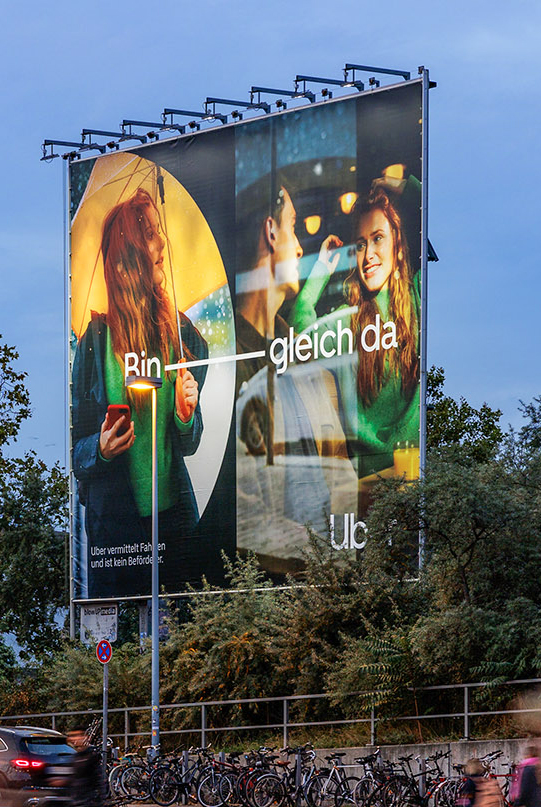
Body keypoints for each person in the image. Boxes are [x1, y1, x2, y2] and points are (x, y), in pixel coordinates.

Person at [71, 187, 207, 597]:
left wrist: (186, 415)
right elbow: (76, 453)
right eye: (149, 233)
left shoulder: (179, 335)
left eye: (157, 230)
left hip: (176, 530)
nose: (161, 242)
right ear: (128, 254)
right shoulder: (95, 343)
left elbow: (190, 442)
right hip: (118, 540)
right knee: (130, 645)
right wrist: (102, 448)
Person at [232, 175, 355, 569]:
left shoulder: (309, 363)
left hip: (331, 585)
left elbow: (342, 478)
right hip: (264, 593)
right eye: (293, 226)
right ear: (270, 230)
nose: (300, 246)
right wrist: (320, 555)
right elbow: (244, 518)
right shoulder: (222, 362)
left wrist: (344, 562)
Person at [293, 182, 421, 481]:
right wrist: (323, 267)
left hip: (413, 474)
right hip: (368, 487)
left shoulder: (416, 298)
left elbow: (422, 198)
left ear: (396, 244)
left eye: (378, 239)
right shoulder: (347, 322)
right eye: (361, 244)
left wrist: (386, 184)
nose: (368, 255)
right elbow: (300, 331)